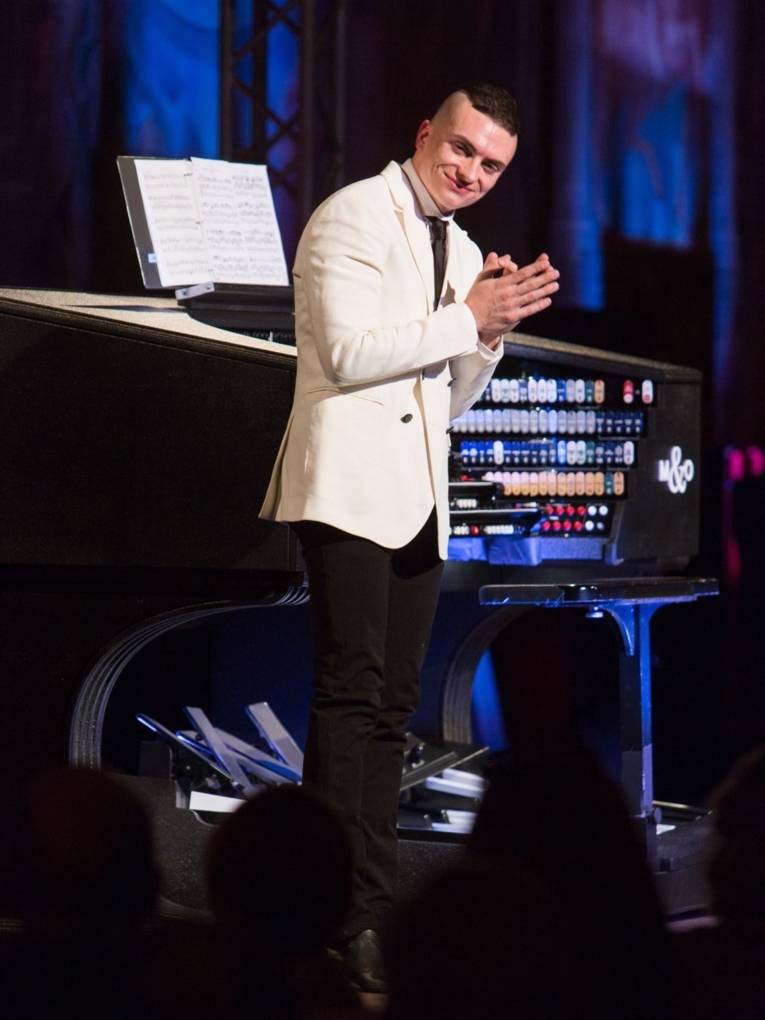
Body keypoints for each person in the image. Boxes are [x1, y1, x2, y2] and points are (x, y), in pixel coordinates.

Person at [260, 81, 560, 990]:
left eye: (491, 164)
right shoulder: (352, 214)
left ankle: (372, 906)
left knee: (394, 710)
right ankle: (327, 916)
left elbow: (444, 399)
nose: (470, 171)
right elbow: (348, 356)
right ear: (425, 131)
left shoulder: (462, 248)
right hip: (347, 488)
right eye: (462, 148)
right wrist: (467, 317)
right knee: (350, 698)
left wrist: (487, 336)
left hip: (417, 499)